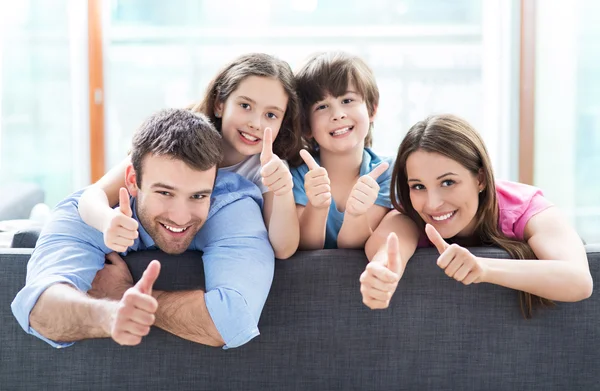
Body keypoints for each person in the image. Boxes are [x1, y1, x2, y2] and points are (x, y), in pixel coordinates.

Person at [12, 108, 275, 348]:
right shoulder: (85, 213)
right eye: (165, 192)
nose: (181, 217)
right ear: (133, 181)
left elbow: (231, 321)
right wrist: (110, 315)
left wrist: (121, 295)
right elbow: (40, 308)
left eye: (198, 196)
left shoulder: (232, 205)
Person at [360, 114, 593, 316]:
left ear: (480, 178)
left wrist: (482, 268)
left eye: (448, 182)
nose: (432, 204)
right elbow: (386, 251)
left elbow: (578, 280)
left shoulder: (525, 207)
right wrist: (382, 275)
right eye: (418, 186)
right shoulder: (409, 215)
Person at [79, 53, 302, 259]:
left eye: (271, 115)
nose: (256, 123)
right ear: (219, 104)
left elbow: (283, 249)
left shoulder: (269, 168)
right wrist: (106, 220)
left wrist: (282, 192)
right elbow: (93, 195)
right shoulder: (176, 138)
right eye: (245, 105)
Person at [291, 51, 393, 250]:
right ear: (306, 126)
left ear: (372, 109)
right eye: (322, 106)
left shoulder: (387, 172)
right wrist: (317, 206)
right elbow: (306, 247)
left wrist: (357, 214)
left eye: (347, 101)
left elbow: (352, 245)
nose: (337, 115)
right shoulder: (296, 174)